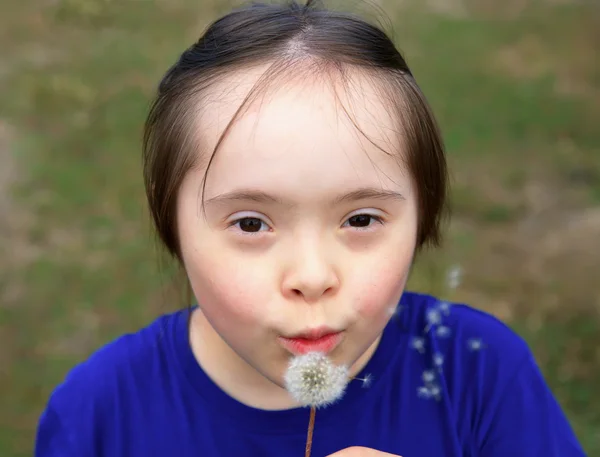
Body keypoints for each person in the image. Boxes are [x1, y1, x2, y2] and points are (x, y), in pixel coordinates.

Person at [34, 1, 587, 456]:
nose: (312, 276)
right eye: (251, 223)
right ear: (170, 225)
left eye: (362, 219)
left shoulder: (478, 373)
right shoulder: (98, 415)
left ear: (422, 218)